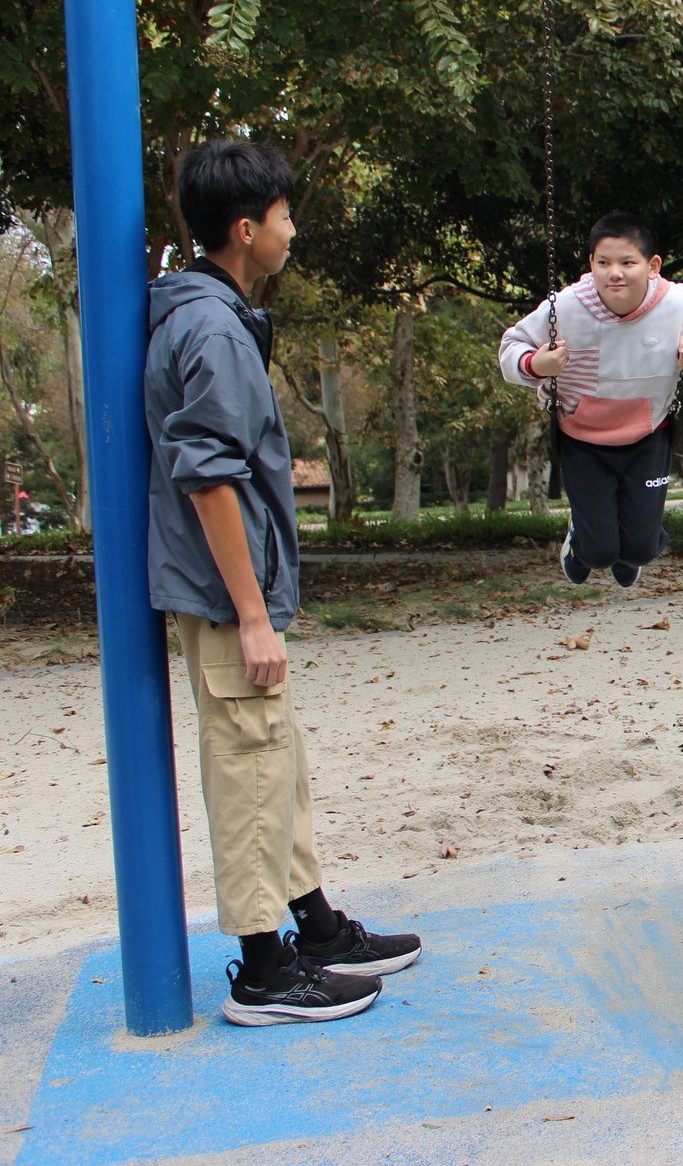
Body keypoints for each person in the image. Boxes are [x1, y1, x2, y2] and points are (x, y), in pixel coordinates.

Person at [146, 140, 421, 1025]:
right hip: (229, 597)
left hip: (233, 592)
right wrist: (253, 615)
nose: (292, 231)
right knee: (250, 766)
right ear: (244, 229)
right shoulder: (213, 327)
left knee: (277, 758)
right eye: (284, 217)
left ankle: (313, 926)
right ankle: (264, 970)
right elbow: (209, 476)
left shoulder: (210, 312)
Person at [499, 213, 683, 585]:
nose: (615, 273)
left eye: (627, 262)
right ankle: (579, 540)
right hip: (583, 438)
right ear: (591, 265)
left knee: (642, 548)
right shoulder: (565, 306)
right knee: (599, 551)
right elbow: (510, 348)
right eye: (604, 263)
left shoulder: (676, 303)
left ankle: (631, 550)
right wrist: (538, 363)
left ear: (652, 266)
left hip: (648, 433)